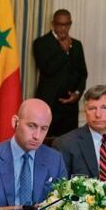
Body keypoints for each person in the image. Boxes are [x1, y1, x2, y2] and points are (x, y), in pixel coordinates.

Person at [0, 99, 67, 208]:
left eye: (44, 129)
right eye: (31, 126)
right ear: (15, 122)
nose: (37, 136)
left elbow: (61, 206)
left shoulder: (55, 159)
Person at [53, 85, 106, 186]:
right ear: (85, 111)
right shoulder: (65, 144)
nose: (98, 114)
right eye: (92, 108)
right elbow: (61, 186)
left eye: (104, 108)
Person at [32, 9, 88, 137]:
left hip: (70, 108)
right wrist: (63, 51)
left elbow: (82, 73)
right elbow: (47, 69)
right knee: (47, 143)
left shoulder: (77, 45)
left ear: (70, 24)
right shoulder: (41, 43)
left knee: (69, 143)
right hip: (49, 104)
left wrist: (77, 93)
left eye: (66, 25)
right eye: (59, 25)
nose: (63, 29)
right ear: (53, 24)